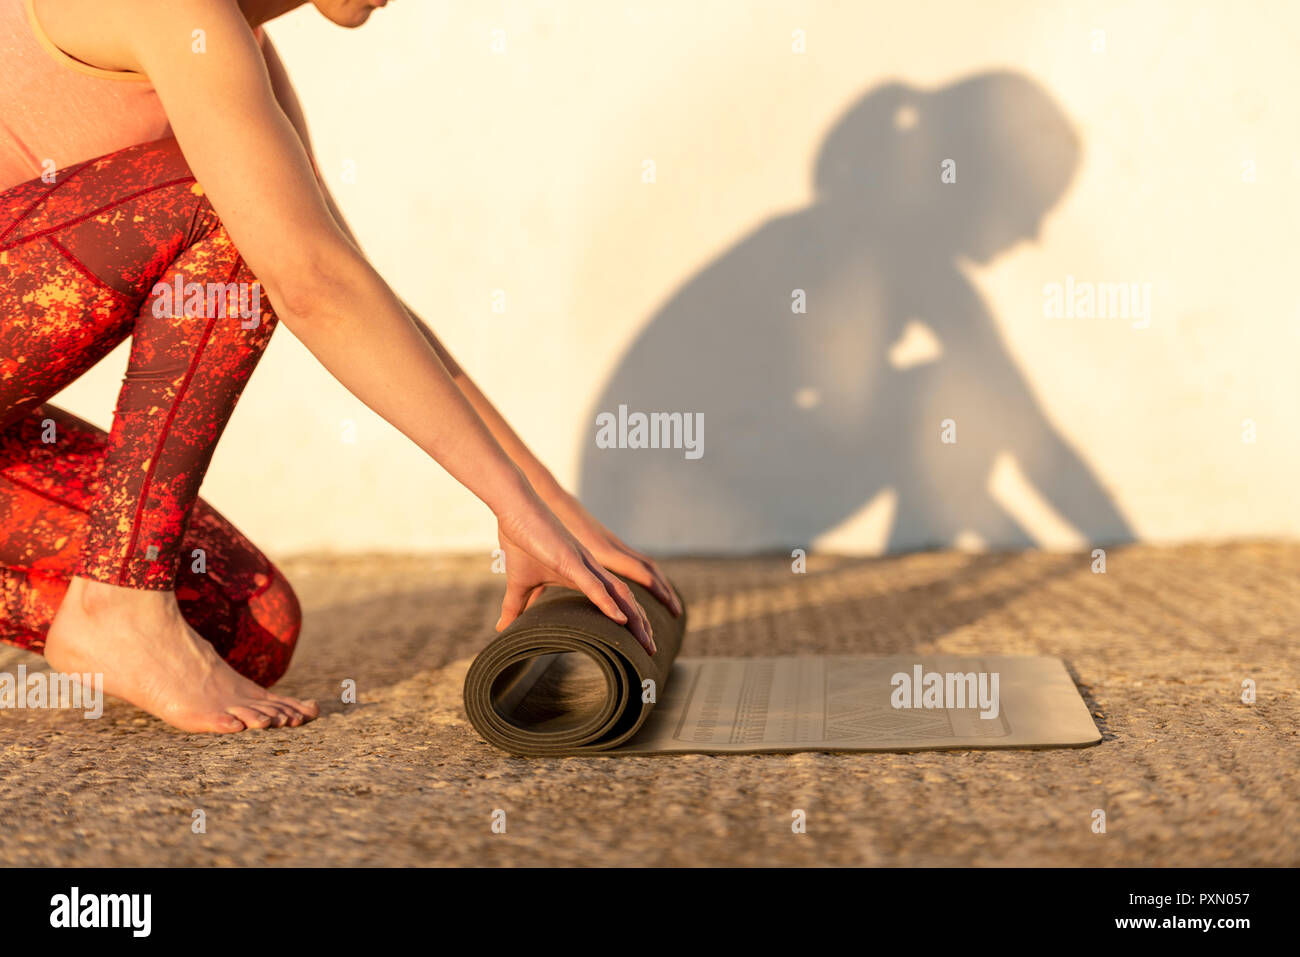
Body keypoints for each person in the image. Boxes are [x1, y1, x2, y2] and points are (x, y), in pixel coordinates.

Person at [0, 0, 680, 734]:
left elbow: (350, 286)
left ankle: (125, 602)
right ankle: (121, 599)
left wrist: (538, 506)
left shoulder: (233, 43)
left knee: (252, 622)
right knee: (237, 213)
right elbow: (306, 279)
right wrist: (511, 504)